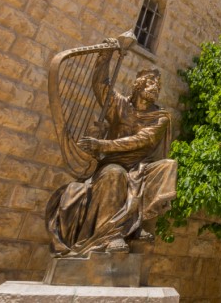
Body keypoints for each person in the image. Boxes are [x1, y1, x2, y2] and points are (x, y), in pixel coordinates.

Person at [45, 40, 177, 257]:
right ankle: (111, 235)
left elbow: (143, 140)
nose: (156, 89)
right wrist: (105, 56)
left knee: (168, 166)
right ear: (139, 86)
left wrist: (101, 145)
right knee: (115, 174)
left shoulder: (160, 117)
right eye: (152, 84)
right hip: (113, 164)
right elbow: (100, 85)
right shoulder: (120, 105)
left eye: (158, 86)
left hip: (140, 167)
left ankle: (136, 227)